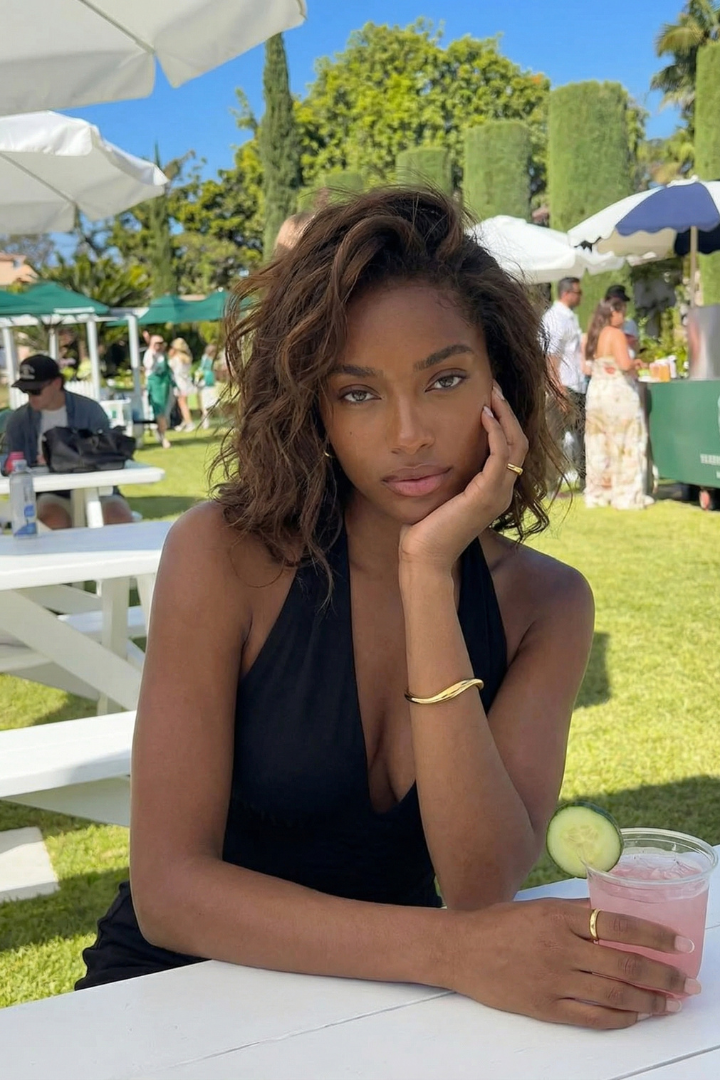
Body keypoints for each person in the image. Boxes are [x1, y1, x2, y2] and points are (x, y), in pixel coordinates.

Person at [76, 190, 691, 1027]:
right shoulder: (223, 556)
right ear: (315, 407)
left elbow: (480, 882)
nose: (409, 434)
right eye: (359, 393)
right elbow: (170, 893)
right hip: (176, 996)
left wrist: (428, 574)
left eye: (445, 380)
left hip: (387, 1013)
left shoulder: (546, 604)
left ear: (502, 384)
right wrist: (450, 953)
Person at [3, 354, 133, 528]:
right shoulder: (19, 421)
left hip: (98, 488)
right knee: (52, 521)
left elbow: (108, 452)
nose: (30, 397)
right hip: (48, 492)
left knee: (119, 519)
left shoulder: (89, 411)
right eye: (25, 391)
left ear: (57, 383)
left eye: (36, 390)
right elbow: (9, 460)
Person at [584, 299, 652, 510]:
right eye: (622, 313)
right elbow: (624, 363)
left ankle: (600, 492)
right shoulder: (615, 334)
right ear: (613, 313)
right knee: (625, 442)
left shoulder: (592, 335)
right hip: (617, 393)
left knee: (598, 444)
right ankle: (625, 494)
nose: (624, 318)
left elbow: (586, 367)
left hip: (597, 393)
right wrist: (636, 363)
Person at [541, 277, 586, 489]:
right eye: (578, 293)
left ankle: (585, 478)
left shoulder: (569, 317)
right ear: (567, 293)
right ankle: (550, 485)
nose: (581, 297)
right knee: (555, 436)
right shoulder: (555, 318)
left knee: (582, 434)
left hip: (576, 384)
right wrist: (557, 390)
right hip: (563, 386)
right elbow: (551, 356)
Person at [145, 347, 175, 450]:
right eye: (157, 343)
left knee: (165, 412)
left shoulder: (164, 356)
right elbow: (148, 367)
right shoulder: (149, 355)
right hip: (155, 386)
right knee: (159, 411)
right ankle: (163, 437)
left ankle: (160, 433)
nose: (159, 346)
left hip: (165, 386)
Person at [168, 337, 195, 433]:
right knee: (183, 403)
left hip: (179, 383)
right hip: (186, 381)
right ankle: (184, 421)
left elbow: (171, 368)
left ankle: (189, 423)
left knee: (182, 404)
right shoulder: (187, 357)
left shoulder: (176, 359)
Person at [605, 285, 639, 356]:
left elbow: (636, 348)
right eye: (616, 306)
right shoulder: (602, 326)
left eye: (622, 305)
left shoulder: (630, 324)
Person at [195, 343, 219, 430]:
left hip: (209, 383)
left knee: (209, 402)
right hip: (205, 383)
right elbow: (203, 369)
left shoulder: (210, 359)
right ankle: (205, 421)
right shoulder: (206, 359)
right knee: (205, 403)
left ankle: (205, 420)